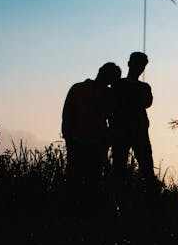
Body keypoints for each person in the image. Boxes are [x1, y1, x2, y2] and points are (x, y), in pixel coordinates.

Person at [61, 62, 121, 202]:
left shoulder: (109, 95)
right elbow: (67, 114)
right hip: (77, 142)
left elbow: (113, 117)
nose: (109, 79)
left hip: (96, 144)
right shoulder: (79, 89)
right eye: (109, 75)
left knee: (92, 182)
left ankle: (87, 213)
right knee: (74, 181)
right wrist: (68, 137)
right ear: (101, 72)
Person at [111, 52, 159, 199]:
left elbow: (147, 102)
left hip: (139, 131)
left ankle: (152, 201)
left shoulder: (143, 87)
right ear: (129, 64)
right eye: (138, 64)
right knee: (119, 168)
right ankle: (119, 200)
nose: (140, 68)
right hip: (121, 132)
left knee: (147, 168)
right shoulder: (118, 84)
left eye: (142, 66)